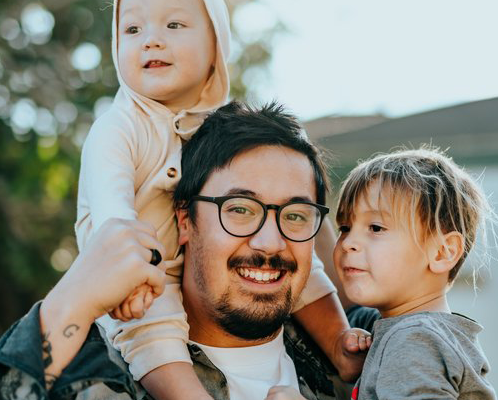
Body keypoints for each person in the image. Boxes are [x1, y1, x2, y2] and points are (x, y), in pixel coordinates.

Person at [0, 101, 373, 400]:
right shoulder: (102, 381)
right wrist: (71, 300)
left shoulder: (374, 352)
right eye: (239, 210)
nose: (270, 242)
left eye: (296, 215)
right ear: (185, 221)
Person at [74, 0, 365, 398]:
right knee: (151, 329)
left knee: (301, 262)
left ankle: (337, 342)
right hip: (140, 280)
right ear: (185, 218)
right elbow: (112, 223)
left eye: (174, 25)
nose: (151, 42)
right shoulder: (118, 129)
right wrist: (128, 280)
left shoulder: (222, 128)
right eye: (133, 31)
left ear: (217, 45)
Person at [333, 148, 498, 399]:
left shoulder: (413, 340)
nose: (347, 243)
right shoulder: (421, 335)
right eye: (345, 228)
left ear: (443, 252)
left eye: (376, 228)